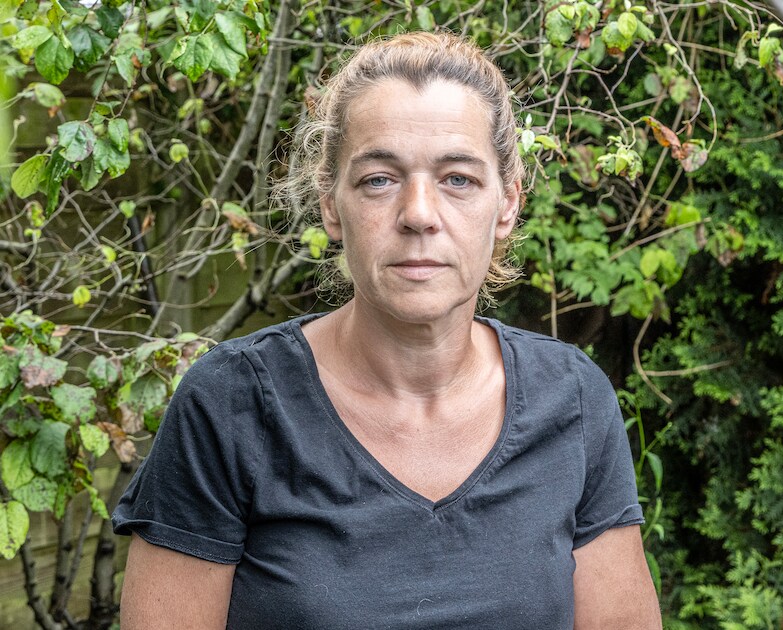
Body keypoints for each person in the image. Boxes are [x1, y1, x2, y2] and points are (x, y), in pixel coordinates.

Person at [112, 31, 661, 629]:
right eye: (379, 178)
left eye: (458, 179)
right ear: (331, 204)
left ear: (507, 204)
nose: (419, 214)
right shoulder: (231, 405)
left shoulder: (572, 398)